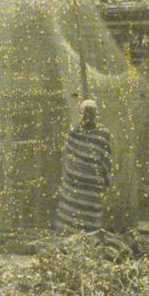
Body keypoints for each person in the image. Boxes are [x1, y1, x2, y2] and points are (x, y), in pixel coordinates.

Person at [56, 98, 114, 234]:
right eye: (84, 113)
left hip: (92, 186)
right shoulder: (74, 132)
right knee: (72, 217)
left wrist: (106, 178)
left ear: (95, 115)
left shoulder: (102, 134)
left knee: (90, 222)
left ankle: (89, 238)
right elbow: (68, 156)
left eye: (90, 113)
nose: (86, 116)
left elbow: (105, 159)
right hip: (75, 184)